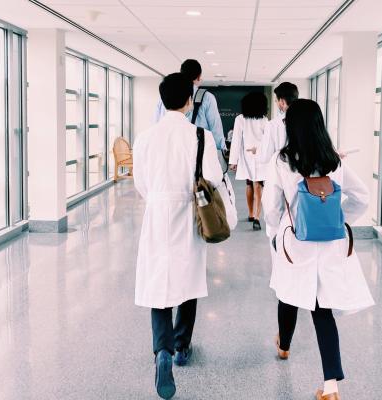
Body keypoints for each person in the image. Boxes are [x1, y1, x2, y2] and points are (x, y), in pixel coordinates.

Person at [262, 99, 374, 400]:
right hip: (329, 245)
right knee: (322, 311)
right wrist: (339, 220)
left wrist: (276, 231)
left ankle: (284, 345)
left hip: (294, 242)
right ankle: (331, 388)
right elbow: (362, 197)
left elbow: (270, 207)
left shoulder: (282, 161)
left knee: (288, 293)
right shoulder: (334, 161)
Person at [133, 73, 223, 400]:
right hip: (188, 211)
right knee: (187, 279)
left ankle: (162, 351)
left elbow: (140, 184)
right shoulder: (201, 136)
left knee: (158, 283)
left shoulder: (144, 137)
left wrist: (158, 197)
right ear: (189, 100)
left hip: (157, 212)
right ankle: (182, 346)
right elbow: (211, 179)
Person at [154, 59, 226, 150]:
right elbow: (215, 128)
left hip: (167, 148)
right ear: (199, 77)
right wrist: (220, 150)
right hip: (198, 150)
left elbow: (156, 123)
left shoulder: (165, 96)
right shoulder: (207, 97)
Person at [229, 92, 269, 231]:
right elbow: (267, 141)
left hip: (246, 156)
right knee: (259, 185)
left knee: (249, 184)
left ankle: (251, 214)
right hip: (260, 155)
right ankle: (257, 217)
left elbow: (236, 140)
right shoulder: (264, 119)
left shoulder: (240, 119)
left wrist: (233, 161)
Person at [259, 82, 299, 164]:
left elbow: (265, 157)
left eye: (276, 100)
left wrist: (258, 151)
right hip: (308, 171)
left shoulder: (273, 124)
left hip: (283, 172)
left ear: (282, 101)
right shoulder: (309, 118)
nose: (275, 102)